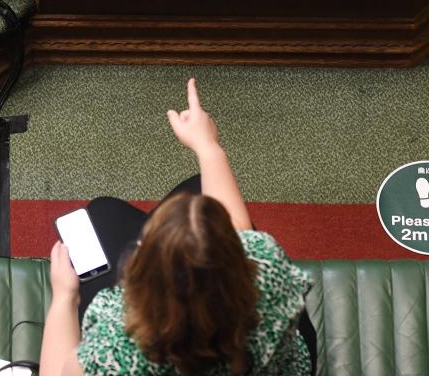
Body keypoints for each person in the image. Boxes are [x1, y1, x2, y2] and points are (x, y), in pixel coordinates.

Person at [40, 78, 315, 376]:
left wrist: (65, 297)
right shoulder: (269, 268)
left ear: (141, 280)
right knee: (197, 187)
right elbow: (240, 230)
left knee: (103, 212)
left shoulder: (117, 348)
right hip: (274, 363)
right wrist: (207, 147)